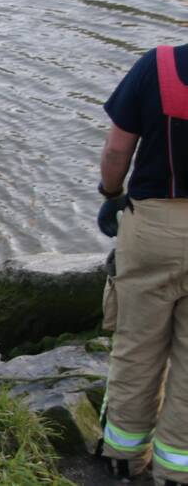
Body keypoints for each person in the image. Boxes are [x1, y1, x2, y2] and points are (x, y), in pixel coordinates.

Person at [97, 44, 188, 485]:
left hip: (153, 228)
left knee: (136, 347)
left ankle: (121, 457)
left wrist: (110, 194)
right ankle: (175, 473)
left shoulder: (160, 65)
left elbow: (118, 150)